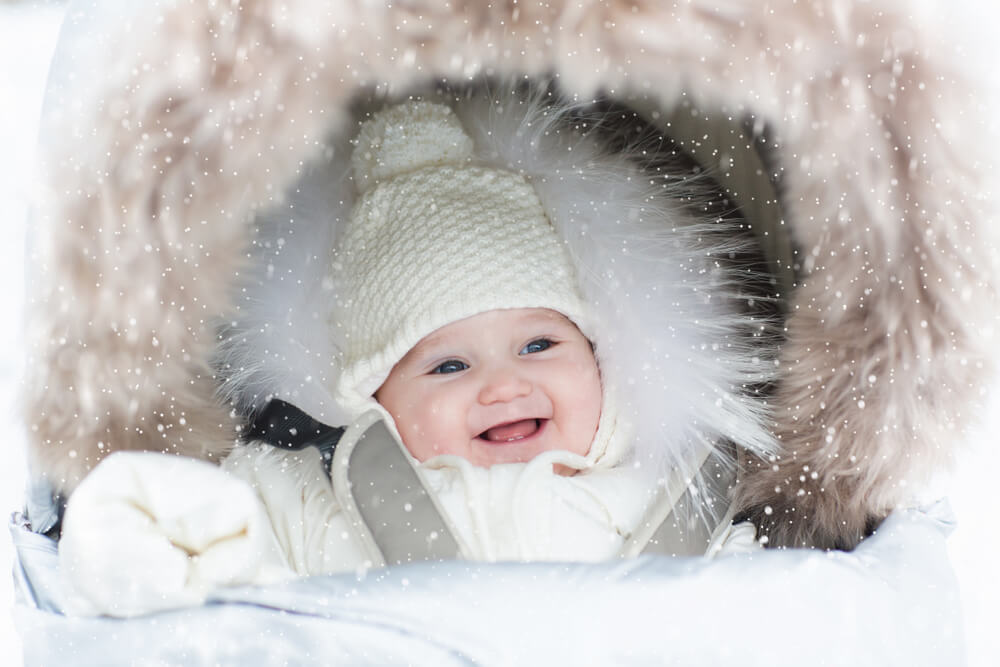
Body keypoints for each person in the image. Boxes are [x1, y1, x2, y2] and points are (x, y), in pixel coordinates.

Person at [58, 96, 774, 617]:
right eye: (448, 366)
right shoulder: (306, 496)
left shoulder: (669, 489)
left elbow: (766, 611)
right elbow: (197, 539)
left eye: (539, 343)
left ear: (600, 358)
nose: (505, 382)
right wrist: (140, 543)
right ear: (371, 397)